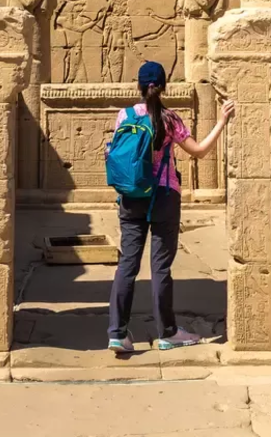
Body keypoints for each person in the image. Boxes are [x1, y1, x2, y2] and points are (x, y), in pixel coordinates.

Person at [107, 60, 235, 354]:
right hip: (163, 195)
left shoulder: (123, 115)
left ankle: (117, 333)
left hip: (130, 197)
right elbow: (200, 152)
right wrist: (221, 122)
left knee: (127, 263)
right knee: (160, 266)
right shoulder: (169, 119)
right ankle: (167, 332)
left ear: (138, 86)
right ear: (163, 86)